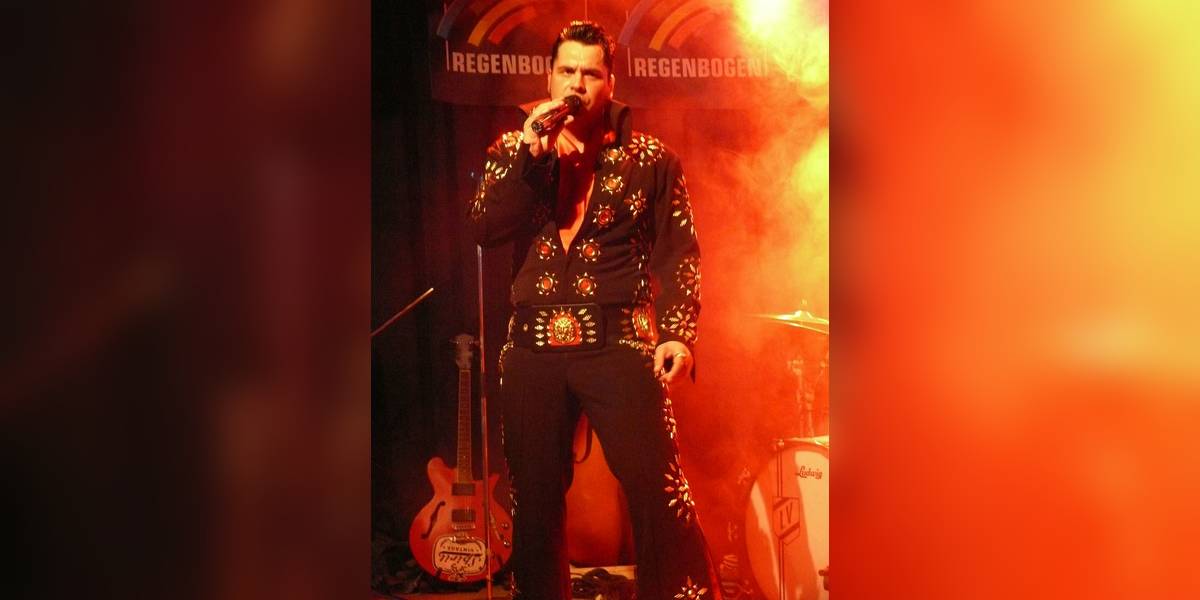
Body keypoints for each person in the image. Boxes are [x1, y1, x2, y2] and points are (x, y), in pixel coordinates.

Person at [469, 20, 719, 600]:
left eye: (590, 73)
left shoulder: (651, 158)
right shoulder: (512, 150)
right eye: (566, 71)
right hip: (532, 345)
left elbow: (680, 253)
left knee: (658, 491)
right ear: (549, 77)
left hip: (619, 340)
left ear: (611, 83)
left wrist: (678, 334)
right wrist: (529, 156)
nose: (576, 84)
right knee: (533, 502)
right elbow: (485, 227)